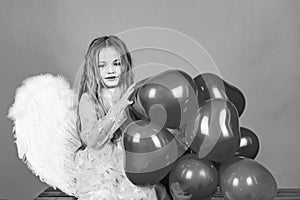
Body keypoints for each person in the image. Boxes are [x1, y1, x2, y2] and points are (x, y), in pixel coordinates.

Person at [74, 35, 157, 200]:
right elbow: (92, 140)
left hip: (129, 161)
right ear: (93, 69)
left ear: (126, 66)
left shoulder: (132, 93)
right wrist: (118, 108)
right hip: (101, 165)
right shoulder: (89, 99)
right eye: (102, 66)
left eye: (116, 64)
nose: (110, 70)